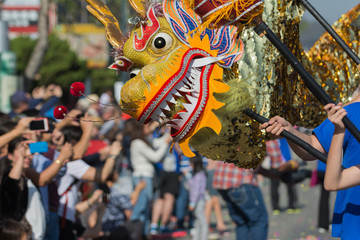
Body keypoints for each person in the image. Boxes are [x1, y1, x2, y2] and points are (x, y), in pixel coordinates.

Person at [259, 84, 360, 239]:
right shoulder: (351, 112)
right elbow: (312, 148)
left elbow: (333, 182)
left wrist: (339, 131)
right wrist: (289, 131)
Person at [213, 161, 268, 240]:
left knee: (241, 222)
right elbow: (276, 161)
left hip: (222, 179)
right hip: (241, 180)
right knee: (258, 221)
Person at [186, 154, 208, 240]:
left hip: (198, 201)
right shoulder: (200, 174)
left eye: (191, 163)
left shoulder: (199, 175)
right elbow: (193, 186)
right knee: (196, 221)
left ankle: (203, 238)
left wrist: (192, 203)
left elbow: (195, 191)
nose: (190, 165)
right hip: (198, 201)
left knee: (202, 222)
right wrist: (188, 176)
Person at [204, 159, 227, 236]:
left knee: (210, 201)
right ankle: (220, 225)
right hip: (211, 172)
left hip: (210, 171)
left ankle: (206, 226)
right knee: (214, 200)